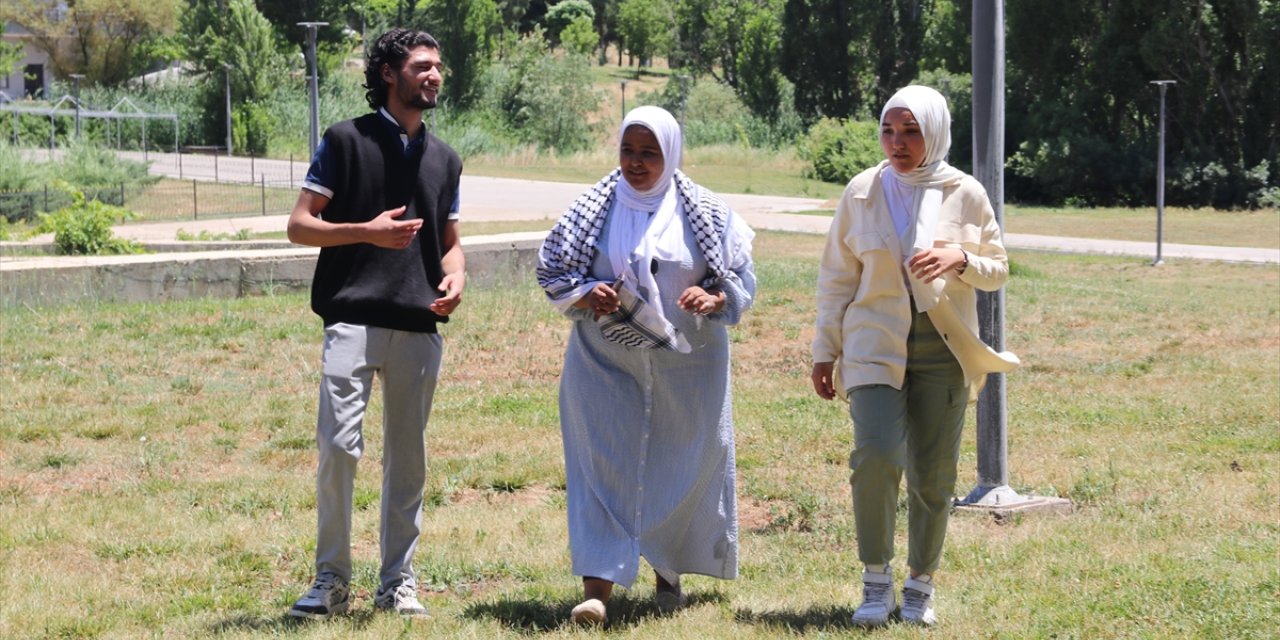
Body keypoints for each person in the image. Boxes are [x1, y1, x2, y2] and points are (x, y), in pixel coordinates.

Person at [536, 106, 756, 626]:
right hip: (603, 359)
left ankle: (668, 572)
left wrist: (714, 296)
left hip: (689, 363)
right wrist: (589, 292)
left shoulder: (705, 211)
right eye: (628, 151)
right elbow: (553, 270)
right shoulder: (592, 206)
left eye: (649, 153)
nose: (636, 163)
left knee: (683, 460)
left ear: (672, 154)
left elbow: (742, 280)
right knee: (602, 462)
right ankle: (598, 589)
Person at [809, 85, 1019, 628]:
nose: (897, 143)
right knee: (876, 455)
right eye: (888, 130)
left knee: (934, 475)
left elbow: (998, 269)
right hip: (873, 344)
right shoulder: (861, 191)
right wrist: (823, 350)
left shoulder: (965, 193)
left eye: (911, 132)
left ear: (936, 133)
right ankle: (875, 582)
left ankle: (920, 585)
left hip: (944, 348)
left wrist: (961, 257)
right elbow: (836, 279)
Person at [284, 27, 464, 620]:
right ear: (388, 72)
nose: (434, 74)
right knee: (339, 447)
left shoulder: (445, 158)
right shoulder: (344, 140)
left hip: (419, 326)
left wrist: (456, 276)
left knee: (407, 460)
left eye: (438, 65)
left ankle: (398, 583)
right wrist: (366, 231)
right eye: (421, 65)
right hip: (352, 318)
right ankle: (331, 580)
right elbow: (300, 225)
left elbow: (450, 242)